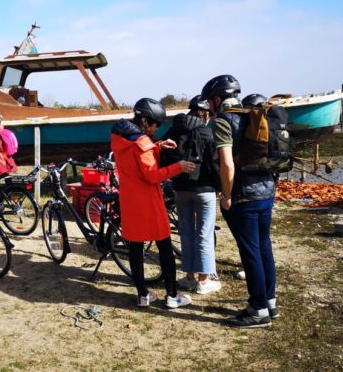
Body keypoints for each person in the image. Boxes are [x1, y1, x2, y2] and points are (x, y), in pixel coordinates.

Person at [201, 75, 277, 328]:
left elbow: (227, 164)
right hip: (266, 192)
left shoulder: (223, 121)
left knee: (250, 252)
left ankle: (257, 310)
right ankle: (269, 301)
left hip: (243, 197)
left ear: (216, 99)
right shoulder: (251, 115)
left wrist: (226, 195)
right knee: (264, 247)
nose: (208, 108)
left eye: (209, 103)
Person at [111, 98, 196, 308]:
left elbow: (135, 158)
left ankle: (142, 296)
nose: (157, 128)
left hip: (130, 201)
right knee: (165, 246)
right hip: (149, 202)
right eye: (156, 124)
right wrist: (180, 166)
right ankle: (172, 296)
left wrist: (157, 146)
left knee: (135, 248)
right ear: (145, 121)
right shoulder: (143, 143)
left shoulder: (120, 137)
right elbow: (152, 175)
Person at [161, 95, 222, 295]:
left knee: (186, 233)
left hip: (180, 188)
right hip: (204, 190)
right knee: (204, 233)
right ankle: (204, 281)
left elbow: (162, 153)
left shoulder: (174, 129)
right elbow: (213, 164)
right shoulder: (206, 132)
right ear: (204, 112)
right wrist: (220, 186)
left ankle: (188, 278)